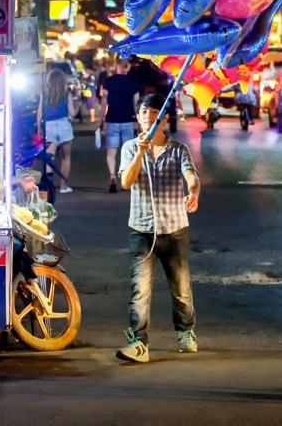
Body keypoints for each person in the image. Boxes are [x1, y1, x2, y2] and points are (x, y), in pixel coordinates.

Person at [116, 94, 200, 363]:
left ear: (164, 118)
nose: (150, 116)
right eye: (145, 111)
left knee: (181, 288)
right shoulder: (130, 147)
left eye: (156, 112)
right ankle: (139, 342)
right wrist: (141, 152)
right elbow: (126, 182)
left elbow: (191, 176)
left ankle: (186, 333)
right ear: (138, 116)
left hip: (175, 229)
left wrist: (193, 192)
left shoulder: (178, 149)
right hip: (141, 230)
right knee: (139, 290)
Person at [99, 59, 140, 193]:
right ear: (127, 67)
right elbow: (136, 103)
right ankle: (124, 178)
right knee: (128, 152)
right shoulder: (133, 82)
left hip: (112, 120)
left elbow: (104, 102)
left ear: (116, 65)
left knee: (111, 152)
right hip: (127, 120)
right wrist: (139, 122)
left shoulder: (109, 82)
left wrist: (101, 121)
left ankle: (112, 176)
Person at [38, 68, 77, 194]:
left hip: (48, 126)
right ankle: (63, 186)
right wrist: (77, 107)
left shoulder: (45, 94)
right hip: (64, 124)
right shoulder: (67, 94)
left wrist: (39, 129)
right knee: (66, 158)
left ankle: (48, 186)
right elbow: (72, 113)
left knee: (50, 158)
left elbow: (40, 114)